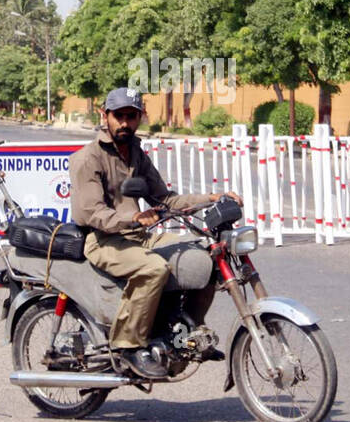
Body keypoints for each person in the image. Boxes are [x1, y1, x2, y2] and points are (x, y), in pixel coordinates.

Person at [69, 87, 241, 378]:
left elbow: (165, 199)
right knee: (153, 268)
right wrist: (133, 217)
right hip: (103, 240)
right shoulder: (88, 158)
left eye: (131, 116)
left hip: (138, 235)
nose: (125, 123)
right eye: (119, 116)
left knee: (205, 257)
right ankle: (127, 346)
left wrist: (211, 198)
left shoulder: (135, 152)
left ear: (140, 118)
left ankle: (184, 334)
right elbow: (90, 213)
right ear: (104, 115)